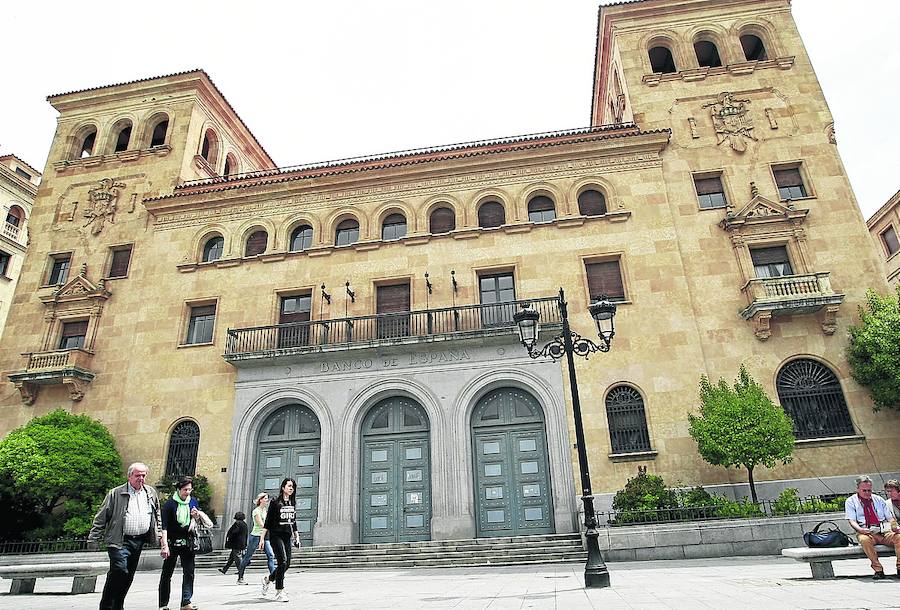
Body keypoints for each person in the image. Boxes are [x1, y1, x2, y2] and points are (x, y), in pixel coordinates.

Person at [88, 462, 165, 610]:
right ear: (129, 476)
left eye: (143, 475)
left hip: (139, 540)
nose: (141, 478)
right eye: (138, 475)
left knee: (128, 575)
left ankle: (118, 605)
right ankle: (106, 605)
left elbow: (157, 515)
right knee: (119, 570)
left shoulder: (150, 493)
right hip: (119, 540)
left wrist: (159, 533)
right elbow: (101, 516)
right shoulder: (116, 493)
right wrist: (94, 537)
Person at [158, 476, 211, 610]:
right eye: (185, 490)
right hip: (172, 542)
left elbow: (196, 523)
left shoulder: (192, 502)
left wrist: (196, 516)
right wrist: (164, 545)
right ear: (178, 489)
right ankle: (163, 604)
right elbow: (164, 526)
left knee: (189, 572)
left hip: (188, 542)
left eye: (189, 489)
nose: (187, 492)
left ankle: (186, 602)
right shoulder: (170, 504)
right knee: (167, 574)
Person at [845, 474, 900, 580]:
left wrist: (894, 527)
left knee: (899, 537)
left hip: (884, 530)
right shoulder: (851, 501)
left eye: (869, 490)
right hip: (866, 530)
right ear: (858, 489)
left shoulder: (879, 500)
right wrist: (860, 529)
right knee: (864, 540)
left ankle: (899, 567)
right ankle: (878, 569)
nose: (867, 493)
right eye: (864, 490)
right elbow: (851, 520)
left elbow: (890, 518)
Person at [260, 478, 300, 602]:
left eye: (292, 486)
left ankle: (268, 579)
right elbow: (267, 522)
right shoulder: (275, 502)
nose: (291, 488)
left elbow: (293, 521)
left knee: (287, 563)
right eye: (289, 486)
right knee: (282, 561)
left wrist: (296, 536)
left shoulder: (292, 503)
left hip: (287, 535)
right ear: (283, 488)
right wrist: (262, 538)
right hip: (275, 535)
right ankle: (279, 591)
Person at [237, 492, 276, 585]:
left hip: (265, 536)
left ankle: (273, 576)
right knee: (247, 557)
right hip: (256, 536)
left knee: (270, 555)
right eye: (266, 498)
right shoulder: (256, 511)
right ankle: (240, 578)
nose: (267, 500)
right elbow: (261, 524)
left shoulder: (265, 511)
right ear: (261, 500)